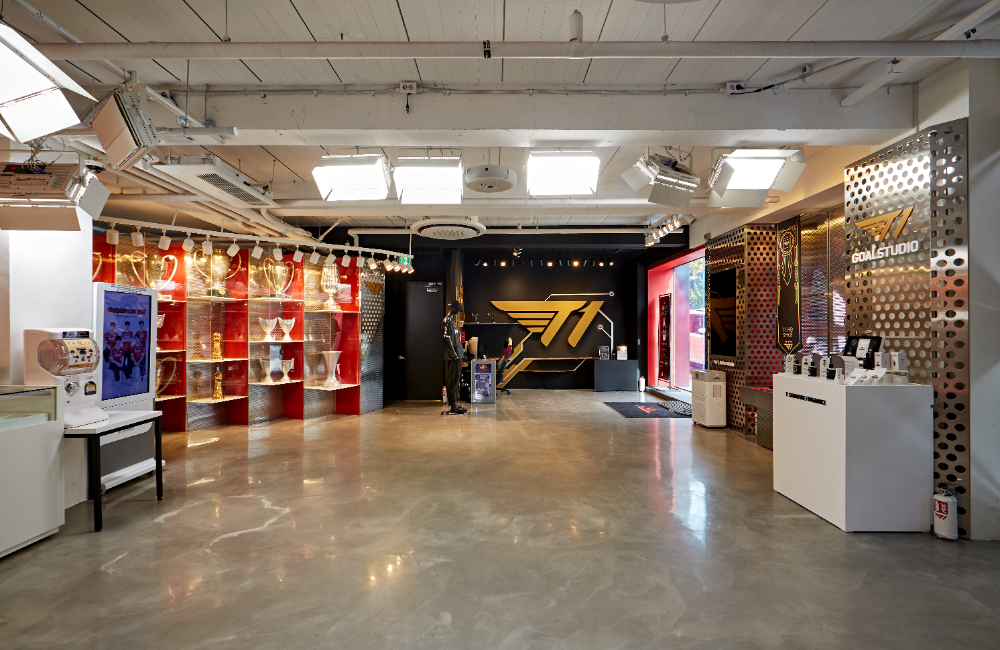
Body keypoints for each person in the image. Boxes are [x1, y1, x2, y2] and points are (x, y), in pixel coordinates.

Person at [443, 301, 467, 415]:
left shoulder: (452, 321)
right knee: (452, 379)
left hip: (458, 354)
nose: (458, 312)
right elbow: (446, 337)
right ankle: (453, 405)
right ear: (452, 308)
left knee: (456, 379)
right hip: (453, 355)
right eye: (457, 309)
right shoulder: (446, 320)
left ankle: (455, 403)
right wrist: (453, 353)